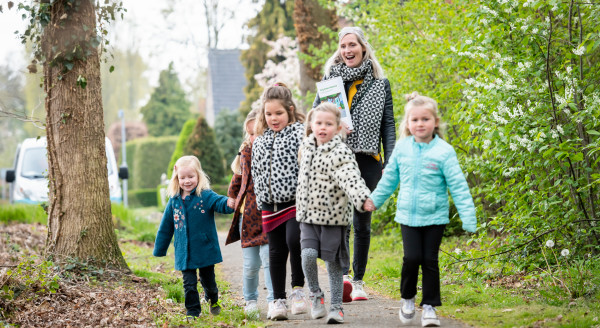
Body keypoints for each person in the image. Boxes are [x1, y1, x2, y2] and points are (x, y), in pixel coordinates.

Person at [363, 92, 477, 327]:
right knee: (411, 258)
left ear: (435, 122)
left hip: (435, 216)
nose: (420, 124)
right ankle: (407, 298)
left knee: (429, 260)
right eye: (415, 120)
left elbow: (458, 185)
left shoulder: (444, 151)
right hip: (408, 215)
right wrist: (374, 200)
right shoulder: (402, 149)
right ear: (408, 123)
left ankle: (429, 306)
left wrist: (468, 216)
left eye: (425, 119)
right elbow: (389, 179)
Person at [313, 25, 396, 302]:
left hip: (369, 158)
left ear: (363, 47)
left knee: (362, 221)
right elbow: (315, 118)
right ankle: (344, 277)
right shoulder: (329, 82)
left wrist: (390, 159)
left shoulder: (380, 84)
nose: (347, 50)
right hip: (337, 159)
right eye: (343, 46)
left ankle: (359, 281)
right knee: (339, 222)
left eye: (352, 45)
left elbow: (388, 124)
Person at [296, 102, 371, 324]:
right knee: (307, 256)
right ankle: (316, 295)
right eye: (318, 123)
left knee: (333, 263)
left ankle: (336, 307)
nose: (322, 127)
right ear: (311, 124)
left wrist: (363, 198)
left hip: (333, 218)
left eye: (328, 124)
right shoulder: (306, 147)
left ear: (338, 127)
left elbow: (351, 177)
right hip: (308, 216)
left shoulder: (340, 152)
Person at [251, 83, 309, 320]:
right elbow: (256, 170)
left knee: (294, 241)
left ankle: (297, 290)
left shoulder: (300, 134)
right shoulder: (260, 140)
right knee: (275, 251)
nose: (273, 118)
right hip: (269, 204)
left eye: (279, 113)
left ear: (290, 111)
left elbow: (307, 166)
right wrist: (259, 199)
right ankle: (278, 300)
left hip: (295, 201)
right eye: (269, 114)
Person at [153, 155, 235, 318]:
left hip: (204, 248)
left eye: (191, 176)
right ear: (177, 178)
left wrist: (228, 203)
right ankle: (192, 311)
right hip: (184, 250)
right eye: (183, 178)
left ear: (199, 176)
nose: (187, 181)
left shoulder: (205, 195)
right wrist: (160, 249)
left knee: (208, 281)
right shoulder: (174, 201)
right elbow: (166, 226)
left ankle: (213, 298)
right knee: (189, 284)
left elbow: (219, 202)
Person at [225, 109, 274, 319]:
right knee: (251, 264)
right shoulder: (245, 152)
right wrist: (231, 196)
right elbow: (238, 178)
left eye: (258, 133)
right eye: (250, 134)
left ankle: (275, 300)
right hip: (248, 218)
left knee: (270, 260)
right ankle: (250, 300)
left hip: (268, 214)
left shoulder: (274, 149)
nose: (254, 138)